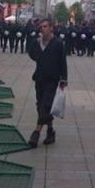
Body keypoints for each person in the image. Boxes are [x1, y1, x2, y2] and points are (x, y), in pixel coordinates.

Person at [28, 19, 68, 148]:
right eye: (41, 27)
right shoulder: (37, 42)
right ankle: (50, 131)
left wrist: (63, 79)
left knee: (45, 105)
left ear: (51, 28)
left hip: (52, 79)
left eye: (45, 26)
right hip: (39, 78)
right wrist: (36, 43)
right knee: (40, 104)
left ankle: (36, 132)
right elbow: (32, 55)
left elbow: (63, 62)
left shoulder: (58, 43)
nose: (42, 29)